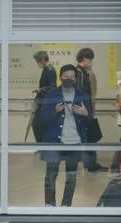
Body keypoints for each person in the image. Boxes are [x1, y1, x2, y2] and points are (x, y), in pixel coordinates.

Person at [41, 64, 92, 207]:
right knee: (50, 176)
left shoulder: (82, 95)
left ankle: (66, 205)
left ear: (75, 78)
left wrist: (85, 113)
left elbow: (89, 121)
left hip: (74, 141)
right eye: (65, 76)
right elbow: (43, 119)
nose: (68, 79)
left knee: (71, 177)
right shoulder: (52, 95)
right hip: (54, 141)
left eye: (71, 77)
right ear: (60, 77)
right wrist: (54, 111)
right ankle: (49, 204)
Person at [76, 48, 109, 173]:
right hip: (83, 111)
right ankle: (91, 164)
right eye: (90, 59)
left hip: (85, 110)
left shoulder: (82, 72)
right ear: (85, 59)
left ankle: (90, 163)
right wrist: (85, 111)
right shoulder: (80, 73)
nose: (91, 62)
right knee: (89, 137)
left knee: (88, 137)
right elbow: (80, 93)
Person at [32, 50, 57, 142]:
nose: (37, 63)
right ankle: (42, 146)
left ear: (42, 59)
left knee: (37, 125)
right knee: (38, 125)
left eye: (37, 61)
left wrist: (40, 90)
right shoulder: (47, 69)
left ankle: (42, 146)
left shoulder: (49, 70)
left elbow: (52, 86)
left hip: (45, 102)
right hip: (44, 101)